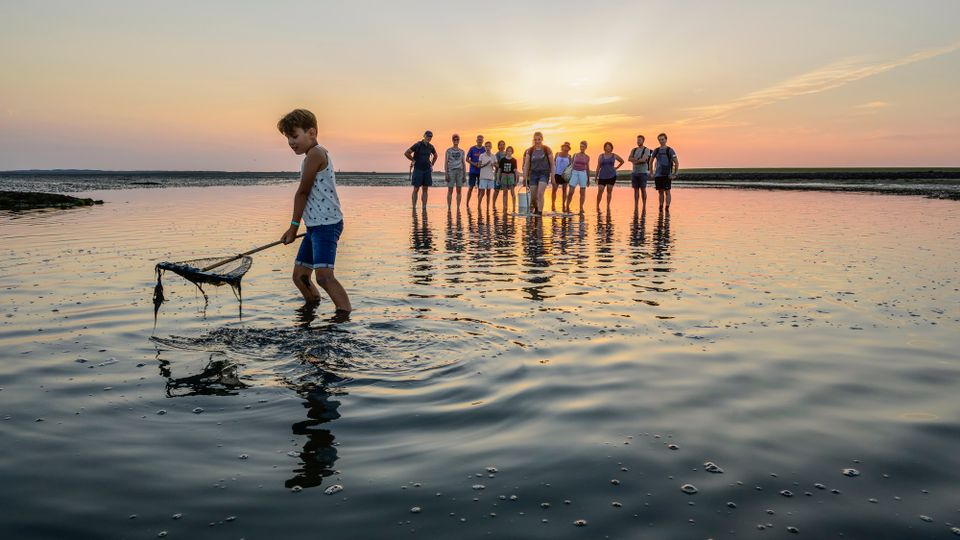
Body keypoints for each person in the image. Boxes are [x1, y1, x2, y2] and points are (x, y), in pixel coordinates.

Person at [277, 108, 351, 313]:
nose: (291, 142)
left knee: (324, 276)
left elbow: (302, 193)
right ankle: (311, 308)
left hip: (326, 225)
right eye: (288, 138)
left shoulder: (316, 154)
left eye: (294, 136)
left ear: (312, 132)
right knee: (300, 276)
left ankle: (344, 317)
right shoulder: (310, 155)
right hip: (315, 226)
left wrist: (292, 228)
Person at [404, 130, 437, 209]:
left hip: (427, 170)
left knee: (425, 189)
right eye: (427, 136)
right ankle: (414, 207)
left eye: (430, 137)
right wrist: (413, 160)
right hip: (418, 169)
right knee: (416, 188)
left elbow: (435, 155)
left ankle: (424, 207)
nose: (429, 138)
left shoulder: (431, 146)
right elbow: (406, 153)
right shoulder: (418, 145)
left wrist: (432, 164)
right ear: (424, 136)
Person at [522, 132, 554, 215]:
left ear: (542, 139)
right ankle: (536, 208)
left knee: (540, 193)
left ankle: (539, 213)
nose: (537, 141)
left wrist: (553, 176)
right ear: (533, 140)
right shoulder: (530, 150)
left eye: (539, 139)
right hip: (533, 174)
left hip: (544, 173)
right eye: (535, 139)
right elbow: (526, 164)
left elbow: (552, 164)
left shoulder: (547, 149)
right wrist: (524, 177)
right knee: (533, 197)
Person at [651, 133, 679, 210]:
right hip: (658, 175)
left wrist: (675, 174)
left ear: (666, 140)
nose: (661, 141)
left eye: (662, 139)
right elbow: (651, 161)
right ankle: (660, 207)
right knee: (660, 192)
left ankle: (667, 207)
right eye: (660, 140)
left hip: (667, 174)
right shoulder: (656, 150)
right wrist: (651, 172)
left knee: (667, 191)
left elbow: (676, 162)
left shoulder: (670, 150)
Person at [595, 142, 624, 212]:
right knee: (600, 191)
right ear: (604, 148)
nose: (608, 147)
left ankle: (608, 206)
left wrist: (616, 168)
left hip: (611, 176)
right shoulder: (601, 156)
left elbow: (622, 161)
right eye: (606, 146)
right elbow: (598, 166)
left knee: (609, 191)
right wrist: (596, 176)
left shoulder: (614, 155)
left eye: (609, 146)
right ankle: (597, 205)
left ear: (611, 148)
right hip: (602, 176)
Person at [627, 134, 652, 211]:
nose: (638, 141)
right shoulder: (633, 150)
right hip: (634, 172)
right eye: (637, 140)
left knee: (643, 189)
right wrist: (638, 159)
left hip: (643, 173)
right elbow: (629, 158)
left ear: (643, 141)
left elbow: (644, 160)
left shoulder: (646, 150)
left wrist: (635, 160)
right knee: (635, 190)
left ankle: (644, 206)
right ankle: (636, 205)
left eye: (640, 140)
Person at [565, 140, 590, 214]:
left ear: (586, 147)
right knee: (571, 191)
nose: (581, 148)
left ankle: (581, 207)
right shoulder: (575, 155)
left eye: (583, 146)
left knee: (582, 192)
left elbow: (587, 168)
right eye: (580, 146)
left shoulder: (587, 157)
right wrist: (567, 174)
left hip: (583, 173)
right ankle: (567, 205)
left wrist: (588, 179)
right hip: (574, 173)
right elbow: (570, 165)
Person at [444, 134, 466, 209]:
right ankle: (449, 207)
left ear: (459, 140)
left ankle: (458, 208)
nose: (456, 141)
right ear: (452, 140)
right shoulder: (448, 151)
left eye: (457, 139)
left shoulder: (462, 151)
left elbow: (463, 163)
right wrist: (446, 173)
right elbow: (446, 162)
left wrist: (464, 175)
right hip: (451, 171)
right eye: (454, 139)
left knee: (459, 191)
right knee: (450, 190)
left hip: (460, 172)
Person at [465, 135, 485, 207]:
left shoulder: (484, 149)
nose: (480, 140)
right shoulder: (472, 149)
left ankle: (478, 204)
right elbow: (467, 159)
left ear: (482, 141)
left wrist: (481, 164)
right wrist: (474, 164)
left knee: (480, 189)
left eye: (481, 139)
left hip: (482, 172)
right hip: (473, 171)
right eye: (478, 139)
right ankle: (467, 204)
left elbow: (487, 159)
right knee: (470, 187)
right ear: (476, 140)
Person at [552, 142, 572, 212]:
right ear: (562, 147)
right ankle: (553, 204)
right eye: (564, 146)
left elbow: (570, 167)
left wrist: (569, 176)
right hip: (557, 174)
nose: (566, 148)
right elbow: (553, 164)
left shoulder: (569, 156)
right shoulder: (557, 154)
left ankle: (563, 204)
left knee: (564, 190)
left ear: (569, 148)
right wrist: (552, 174)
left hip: (565, 175)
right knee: (554, 189)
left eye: (567, 147)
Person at [497, 146, 519, 210]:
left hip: (511, 176)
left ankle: (514, 207)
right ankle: (505, 207)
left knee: (512, 192)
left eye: (510, 151)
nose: (509, 152)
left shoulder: (514, 160)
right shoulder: (502, 160)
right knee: (505, 193)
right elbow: (499, 170)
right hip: (504, 176)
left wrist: (516, 180)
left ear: (512, 152)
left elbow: (515, 171)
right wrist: (498, 178)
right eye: (508, 151)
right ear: (506, 152)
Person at [477, 141, 497, 211]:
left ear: (491, 147)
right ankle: (478, 206)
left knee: (488, 193)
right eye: (486, 146)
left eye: (489, 146)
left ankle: (488, 208)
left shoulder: (493, 156)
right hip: (483, 177)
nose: (487, 148)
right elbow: (478, 166)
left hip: (490, 177)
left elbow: (497, 165)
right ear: (484, 147)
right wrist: (486, 164)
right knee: (482, 193)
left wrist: (493, 164)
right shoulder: (482, 155)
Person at [492, 140, 506, 209]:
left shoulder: (506, 153)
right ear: (498, 146)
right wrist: (500, 168)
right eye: (501, 144)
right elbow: (495, 164)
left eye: (503, 144)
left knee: (504, 190)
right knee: (496, 190)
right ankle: (493, 204)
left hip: (505, 174)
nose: (502, 146)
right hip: (498, 174)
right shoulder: (497, 154)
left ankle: (504, 205)